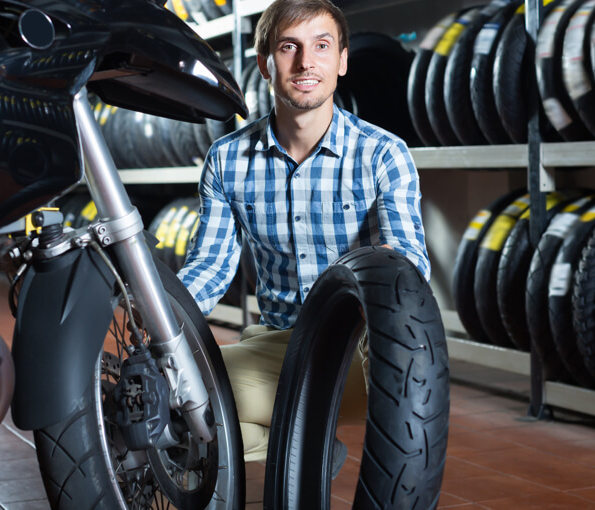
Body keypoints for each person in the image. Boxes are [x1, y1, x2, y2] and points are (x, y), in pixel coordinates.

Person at [176, 0, 430, 468]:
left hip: (365, 349)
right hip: (279, 346)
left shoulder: (382, 154)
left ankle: (301, 441)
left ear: (343, 60)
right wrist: (161, 325)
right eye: (289, 47)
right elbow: (210, 268)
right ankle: (308, 455)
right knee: (182, 395)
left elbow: (405, 265)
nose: (306, 62)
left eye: (322, 46)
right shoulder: (228, 159)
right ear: (265, 64)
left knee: (407, 387)